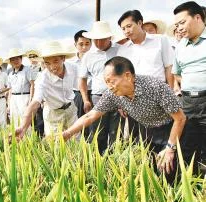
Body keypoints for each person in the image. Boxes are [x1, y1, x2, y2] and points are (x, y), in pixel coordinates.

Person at [62, 56, 186, 183]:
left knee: (171, 171)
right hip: (148, 131)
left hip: (172, 130)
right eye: (106, 82)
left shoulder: (155, 87)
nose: (109, 86)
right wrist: (67, 134)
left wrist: (170, 148)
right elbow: (91, 115)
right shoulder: (112, 95)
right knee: (152, 173)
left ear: (127, 76)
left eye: (111, 81)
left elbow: (180, 118)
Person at [13, 41, 78, 139]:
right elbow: (35, 103)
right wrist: (23, 127)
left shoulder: (73, 68)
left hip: (71, 110)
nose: (52, 67)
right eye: (47, 63)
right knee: (56, 145)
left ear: (63, 58)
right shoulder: (42, 78)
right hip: (53, 114)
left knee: (76, 141)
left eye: (55, 61)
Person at [172, 1, 206, 174]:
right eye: (177, 25)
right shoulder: (180, 47)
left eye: (182, 22)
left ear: (198, 17)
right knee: (186, 150)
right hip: (188, 103)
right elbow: (176, 73)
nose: (179, 28)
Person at [80, 21, 119, 153]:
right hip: (98, 97)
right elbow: (82, 80)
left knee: (116, 133)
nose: (99, 43)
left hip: (118, 97)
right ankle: (96, 163)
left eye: (102, 39)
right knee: (97, 132)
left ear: (110, 38)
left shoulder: (120, 50)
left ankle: (114, 163)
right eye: (96, 40)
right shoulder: (88, 56)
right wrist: (86, 99)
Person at [117, 10, 175, 88]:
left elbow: (169, 67)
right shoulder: (122, 50)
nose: (126, 31)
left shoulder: (160, 40)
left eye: (129, 26)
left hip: (159, 90)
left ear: (139, 23)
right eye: (123, 29)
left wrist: (170, 92)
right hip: (135, 92)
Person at [5, 48, 36, 127]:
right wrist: (8, 104)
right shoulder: (11, 73)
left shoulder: (27, 69)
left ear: (21, 59)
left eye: (17, 59)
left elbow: (32, 84)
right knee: (14, 118)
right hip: (13, 98)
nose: (15, 61)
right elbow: (10, 89)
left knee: (25, 118)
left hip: (24, 96)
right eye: (13, 60)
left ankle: (28, 137)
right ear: (10, 62)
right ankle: (17, 137)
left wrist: (30, 99)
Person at [26, 49, 45, 136]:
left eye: (34, 56)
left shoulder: (41, 67)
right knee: (31, 117)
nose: (32, 58)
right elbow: (30, 85)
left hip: (40, 95)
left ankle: (40, 134)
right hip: (31, 95)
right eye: (30, 57)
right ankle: (34, 134)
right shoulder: (27, 69)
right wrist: (30, 98)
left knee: (40, 116)